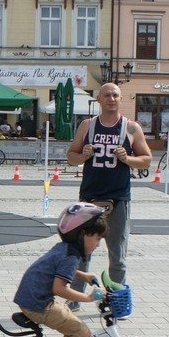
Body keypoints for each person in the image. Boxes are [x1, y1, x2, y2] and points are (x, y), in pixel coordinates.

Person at [14, 203, 107, 337]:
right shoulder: (71, 256)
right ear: (83, 234)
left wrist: (84, 276)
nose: (98, 244)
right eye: (97, 238)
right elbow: (59, 288)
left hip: (32, 298)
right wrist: (88, 298)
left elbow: (57, 268)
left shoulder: (65, 248)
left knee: (72, 326)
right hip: (39, 304)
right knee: (83, 333)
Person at [66, 82, 151, 286]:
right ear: (99, 99)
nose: (111, 99)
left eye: (115, 95)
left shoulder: (131, 127)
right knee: (82, 253)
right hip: (89, 198)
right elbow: (71, 157)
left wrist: (128, 159)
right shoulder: (87, 125)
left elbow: (146, 159)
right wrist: (83, 155)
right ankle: (75, 299)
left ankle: (116, 302)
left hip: (118, 198)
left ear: (121, 99)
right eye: (107, 95)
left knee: (117, 256)